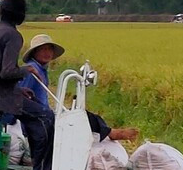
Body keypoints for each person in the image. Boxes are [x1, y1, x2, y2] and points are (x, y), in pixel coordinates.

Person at [17, 33, 139, 161]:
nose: (47, 52)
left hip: (43, 115)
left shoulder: (41, 69)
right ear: (34, 52)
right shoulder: (31, 71)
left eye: (49, 49)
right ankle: (110, 133)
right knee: (81, 118)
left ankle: (107, 132)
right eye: (43, 49)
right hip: (37, 119)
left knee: (81, 115)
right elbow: (23, 98)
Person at [0, 0, 52, 170]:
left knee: (34, 113)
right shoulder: (12, 35)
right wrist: (27, 70)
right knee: (46, 116)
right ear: (21, 15)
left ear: (0, 11)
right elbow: (6, 72)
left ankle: (35, 163)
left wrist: (18, 90)